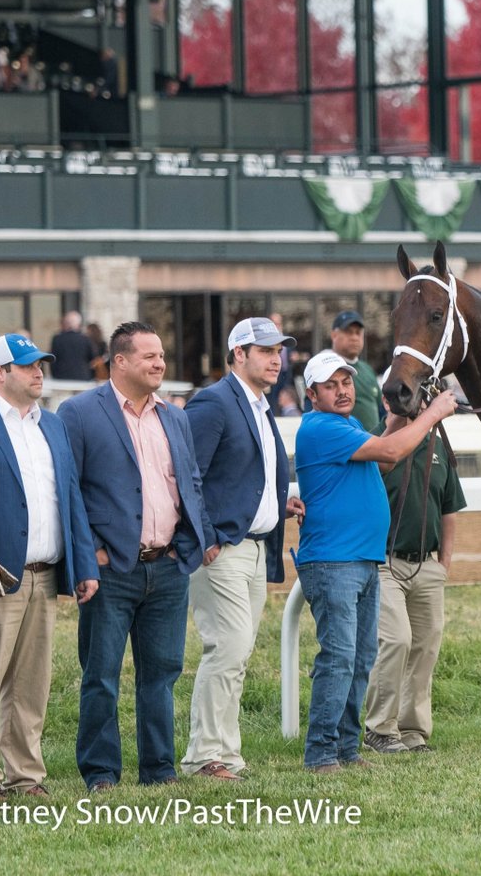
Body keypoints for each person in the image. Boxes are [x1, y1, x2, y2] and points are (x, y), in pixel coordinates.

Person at [59, 321, 213, 792]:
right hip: (112, 571)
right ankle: (101, 773)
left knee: (162, 675)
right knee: (101, 676)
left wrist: (195, 539)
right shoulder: (80, 413)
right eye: (149, 356)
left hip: (168, 567)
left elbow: (189, 483)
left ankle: (159, 770)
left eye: (161, 355)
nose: (160, 363)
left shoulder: (176, 415)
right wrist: (93, 556)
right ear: (119, 361)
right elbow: (70, 492)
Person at [293, 349, 458, 774]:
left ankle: (347, 749)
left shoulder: (344, 425)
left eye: (346, 382)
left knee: (361, 655)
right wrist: (434, 412)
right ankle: (322, 753)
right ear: (312, 394)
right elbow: (392, 451)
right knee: (340, 657)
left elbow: (386, 442)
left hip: (360, 560)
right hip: (334, 561)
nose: (343, 390)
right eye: (331, 385)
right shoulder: (321, 427)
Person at [0, 333, 99, 800]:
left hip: (46, 573)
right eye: (27, 365)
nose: (38, 371)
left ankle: (26, 776)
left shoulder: (53, 423)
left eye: (40, 363)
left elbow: (71, 496)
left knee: (32, 683)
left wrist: (83, 563)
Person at [180, 318, 305, 782]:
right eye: (265, 350)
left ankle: (224, 754)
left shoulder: (260, 406)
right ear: (238, 354)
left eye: (280, 351)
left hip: (254, 549)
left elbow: (243, 474)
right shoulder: (213, 403)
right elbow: (186, 475)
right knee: (227, 649)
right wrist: (206, 537)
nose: (277, 359)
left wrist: (279, 502)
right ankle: (205, 756)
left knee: (238, 652)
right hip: (222, 549)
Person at [362, 390, 467, 754]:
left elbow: (450, 506)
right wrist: (395, 420)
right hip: (385, 562)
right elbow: (377, 462)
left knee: (425, 646)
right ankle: (379, 727)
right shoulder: (380, 437)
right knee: (396, 640)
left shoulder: (440, 447)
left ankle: (413, 730)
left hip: (427, 563)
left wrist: (444, 565)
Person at [330, 310, 382, 431]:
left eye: (358, 333)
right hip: (344, 443)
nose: (354, 338)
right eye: (349, 332)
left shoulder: (367, 369)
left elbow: (381, 408)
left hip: (375, 444)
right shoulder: (326, 368)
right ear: (334, 335)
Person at [49, 311, 99, 382]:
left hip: (61, 378)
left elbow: (52, 359)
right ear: (78, 324)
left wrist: (54, 374)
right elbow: (93, 359)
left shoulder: (57, 339)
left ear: (65, 323)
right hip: (83, 377)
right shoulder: (85, 339)